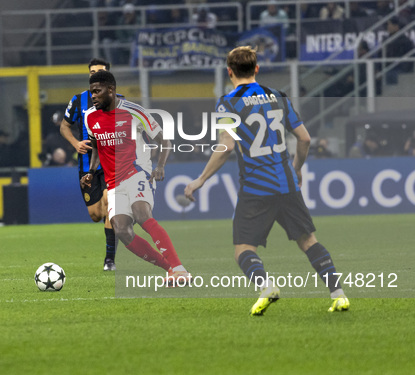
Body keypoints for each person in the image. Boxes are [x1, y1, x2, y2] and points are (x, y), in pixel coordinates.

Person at [184, 46, 349, 314]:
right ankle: (339, 294)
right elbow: (304, 138)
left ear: (229, 72)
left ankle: (266, 286)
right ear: (256, 69)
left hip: (255, 186)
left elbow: (225, 147)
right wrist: (296, 168)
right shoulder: (278, 96)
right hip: (286, 182)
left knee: (243, 249)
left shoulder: (227, 103)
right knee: (308, 241)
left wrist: (200, 180)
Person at [81, 71, 190, 285]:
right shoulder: (90, 117)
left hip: (137, 171)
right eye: (91, 92)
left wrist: (160, 166)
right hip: (113, 183)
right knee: (121, 229)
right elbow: (96, 148)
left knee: (141, 214)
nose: (93, 96)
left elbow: (164, 140)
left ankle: (180, 268)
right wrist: (91, 172)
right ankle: (169, 270)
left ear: (110, 90)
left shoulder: (134, 111)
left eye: (97, 91)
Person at [60, 58, 117, 271]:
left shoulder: (119, 101)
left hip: (112, 163)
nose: (94, 75)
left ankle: (109, 259)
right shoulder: (78, 100)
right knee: (95, 214)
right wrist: (75, 143)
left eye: (99, 72)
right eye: (91, 72)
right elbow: (65, 126)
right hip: (87, 164)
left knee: (110, 203)